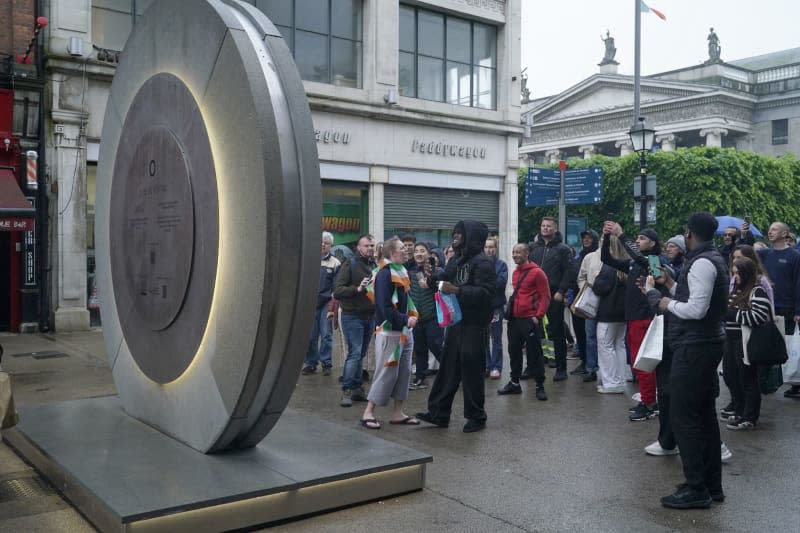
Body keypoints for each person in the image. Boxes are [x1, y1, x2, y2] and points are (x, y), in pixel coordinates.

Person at [645, 212, 729, 509]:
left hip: (695, 346)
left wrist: (663, 301)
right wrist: (667, 284)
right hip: (703, 344)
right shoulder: (708, 259)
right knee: (704, 415)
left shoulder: (703, 262)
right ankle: (710, 484)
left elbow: (696, 309)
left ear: (689, 233)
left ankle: (696, 488)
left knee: (683, 417)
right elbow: (692, 296)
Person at [417, 220, 496, 433]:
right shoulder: (456, 260)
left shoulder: (483, 263)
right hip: (456, 323)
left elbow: (487, 294)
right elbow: (444, 280)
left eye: (460, 234)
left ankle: (476, 416)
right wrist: (433, 276)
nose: (455, 237)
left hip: (474, 325)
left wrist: (458, 290)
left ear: (472, 237)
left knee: (471, 372)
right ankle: (438, 413)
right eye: (455, 233)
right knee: (448, 369)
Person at [602, 223, 665, 421]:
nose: (637, 241)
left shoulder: (655, 261)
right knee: (640, 363)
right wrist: (606, 238)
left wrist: (622, 235)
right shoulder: (634, 264)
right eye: (636, 238)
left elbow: (642, 260)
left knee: (643, 363)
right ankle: (649, 400)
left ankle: (649, 404)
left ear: (653, 243)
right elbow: (607, 259)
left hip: (645, 318)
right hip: (633, 318)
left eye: (642, 238)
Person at [359, 237, 420, 429]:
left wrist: (411, 316)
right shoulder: (385, 274)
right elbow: (384, 307)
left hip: (404, 331)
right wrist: (405, 319)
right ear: (392, 253)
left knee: (403, 373)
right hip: (389, 332)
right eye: (402, 248)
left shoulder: (401, 270)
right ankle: (368, 412)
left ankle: (397, 413)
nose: (406, 250)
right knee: (385, 372)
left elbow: (405, 300)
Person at [720, 244, 774, 421]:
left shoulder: (757, 288)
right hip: (731, 337)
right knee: (731, 374)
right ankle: (738, 408)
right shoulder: (736, 288)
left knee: (747, 379)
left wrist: (732, 314)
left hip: (746, 338)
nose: (735, 276)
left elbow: (759, 315)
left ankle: (749, 416)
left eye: (738, 272)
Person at [498, 243, 550, 400]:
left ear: (527, 254)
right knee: (514, 352)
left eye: (518, 252)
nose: (514, 255)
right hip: (515, 320)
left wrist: (538, 316)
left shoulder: (538, 273)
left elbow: (545, 296)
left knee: (535, 354)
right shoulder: (515, 273)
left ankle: (540, 386)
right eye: (513, 252)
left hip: (530, 320)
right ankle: (514, 383)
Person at [757, 222, 800, 398]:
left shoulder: (794, 256)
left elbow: (798, 283)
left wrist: (798, 310)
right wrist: (743, 236)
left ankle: (794, 381)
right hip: (767, 307)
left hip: (787, 307)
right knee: (767, 343)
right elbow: (744, 253)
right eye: (770, 229)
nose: (770, 231)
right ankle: (766, 381)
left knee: (788, 346)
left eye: (774, 229)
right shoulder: (765, 254)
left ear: (785, 234)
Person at [333, 234, 377, 407]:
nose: (370, 249)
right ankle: (347, 389)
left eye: (372, 246)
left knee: (361, 353)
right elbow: (337, 291)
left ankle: (358, 389)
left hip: (369, 315)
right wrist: (357, 288)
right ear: (359, 247)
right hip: (352, 316)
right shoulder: (349, 264)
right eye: (366, 246)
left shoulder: (374, 266)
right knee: (355, 352)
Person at [529, 217, 573, 381]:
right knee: (533, 330)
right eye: (543, 226)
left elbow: (568, 272)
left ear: (555, 229)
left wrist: (561, 291)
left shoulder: (563, 249)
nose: (545, 228)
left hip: (554, 294)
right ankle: (532, 367)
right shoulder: (533, 247)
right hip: (534, 295)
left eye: (549, 226)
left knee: (557, 331)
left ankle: (561, 368)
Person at [593, 235, 629, 394]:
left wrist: (595, 279)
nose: (601, 242)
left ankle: (611, 382)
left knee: (606, 346)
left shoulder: (609, 266)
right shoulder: (627, 264)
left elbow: (599, 287)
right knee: (619, 346)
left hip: (608, 311)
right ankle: (620, 379)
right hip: (623, 313)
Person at [302, 232, 341, 376]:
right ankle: (310, 363)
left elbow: (337, 286)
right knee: (310, 336)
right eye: (321, 242)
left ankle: (326, 364)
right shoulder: (308, 260)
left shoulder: (335, 263)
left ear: (331, 245)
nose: (323, 245)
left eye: (326, 243)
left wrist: (332, 306)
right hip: (310, 304)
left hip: (326, 304)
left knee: (326, 335)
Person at [408, 242, 443, 390]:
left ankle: (453, 372)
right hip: (417, 318)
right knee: (420, 349)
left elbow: (444, 287)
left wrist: (432, 278)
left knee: (436, 346)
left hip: (433, 316)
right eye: (416, 251)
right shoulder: (410, 272)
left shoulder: (438, 271)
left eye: (422, 251)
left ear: (429, 254)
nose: (419, 254)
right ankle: (420, 378)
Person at [571, 229, 599, 377]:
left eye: (589, 238)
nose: (586, 240)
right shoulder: (578, 257)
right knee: (580, 333)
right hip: (579, 299)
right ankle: (584, 361)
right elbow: (574, 276)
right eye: (584, 238)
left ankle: (592, 365)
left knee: (593, 336)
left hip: (596, 301)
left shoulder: (599, 256)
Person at [485, 236, 508, 379]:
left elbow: (500, 283)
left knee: (497, 339)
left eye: (491, 247)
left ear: (496, 248)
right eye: (486, 247)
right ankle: (486, 365)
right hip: (481, 308)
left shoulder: (501, 265)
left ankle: (496, 366)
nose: (488, 250)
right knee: (483, 339)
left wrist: (485, 283)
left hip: (496, 307)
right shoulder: (479, 263)